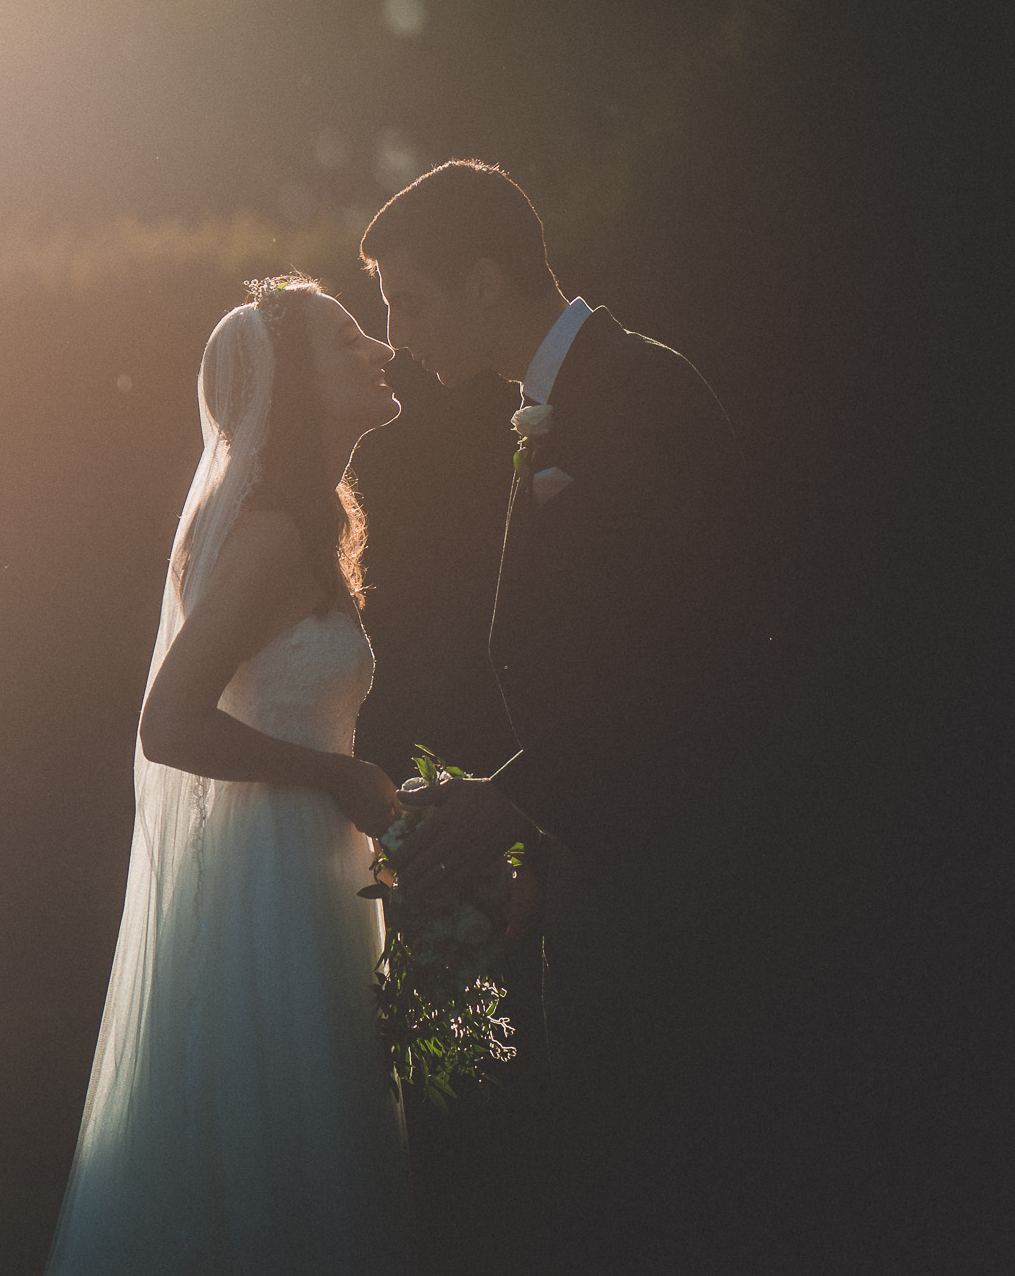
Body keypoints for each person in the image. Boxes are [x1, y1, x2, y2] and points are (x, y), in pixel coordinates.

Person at [361, 160, 750, 1270]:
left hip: (678, 883)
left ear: (485, 281)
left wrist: (509, 802)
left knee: (656, 1187)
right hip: (605, 862)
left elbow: (684, 656)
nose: (395, 333)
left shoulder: (637, 389)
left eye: (409, 299)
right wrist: (531, 830)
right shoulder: (556, 403)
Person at [47, 274, 413, 1275]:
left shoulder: (308, 522)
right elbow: (166, 723)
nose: (381, 348)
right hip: (264, 889)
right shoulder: (269, 534)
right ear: (294, 387)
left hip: (307, 877)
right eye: (349, 341)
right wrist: (334, 779)